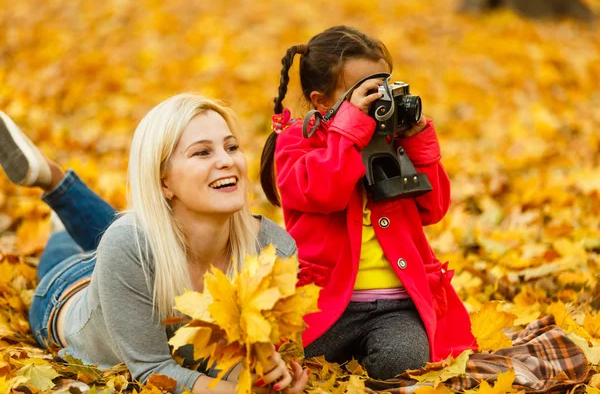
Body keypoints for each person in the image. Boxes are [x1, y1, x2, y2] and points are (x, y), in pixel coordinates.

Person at [0, 95, 309, 394]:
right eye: (202, 152)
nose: (227, 161)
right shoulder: (127, 244)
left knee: (131, 233)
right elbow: (151, 369)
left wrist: (268, 374)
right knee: (113, 238)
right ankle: (58, 203)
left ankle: (61, 198)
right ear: (163, 181)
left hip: (135, 255)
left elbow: (232, 359)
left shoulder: (274, 250)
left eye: (231, 147)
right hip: (67, 291)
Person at [260, 26, 478, 380]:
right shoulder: (298, 143)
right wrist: (350, 133)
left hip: (396, 305)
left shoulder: (393, 140)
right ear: (322, 101)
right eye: (365, 95)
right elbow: (324, 192)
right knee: (297, 364)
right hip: (324, 304)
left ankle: (367, 361)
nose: (379, 103)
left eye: (385, 89)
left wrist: (419, 143)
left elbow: (434, 208)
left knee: (403, 361)